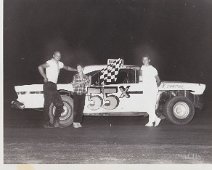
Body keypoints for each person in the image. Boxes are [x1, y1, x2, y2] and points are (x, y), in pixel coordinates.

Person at [38, 51, 77, 128]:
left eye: (59, 56)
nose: (58, 57)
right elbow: (40, 67)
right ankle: (46, 123)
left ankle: (56, 122)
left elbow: (67, 68)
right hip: (48, 85)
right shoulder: (50, 62)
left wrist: (76, 70)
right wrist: (45, 77)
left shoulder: (59, 64)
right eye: (57, 56)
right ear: (53, 55)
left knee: (60, 105)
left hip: (54, 86)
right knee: (47, 105)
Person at [140, 56, 161, 127]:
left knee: (151, 105)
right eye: (143, 60)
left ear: (149, 60)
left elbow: (158, 80)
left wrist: (154, 88)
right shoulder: (142, 68)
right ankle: (156, 118)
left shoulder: (152, 69)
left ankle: (151, 122)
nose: (144, 61)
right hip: (145, 89)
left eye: (146, 59)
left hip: (152, 89)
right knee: (146, 106)